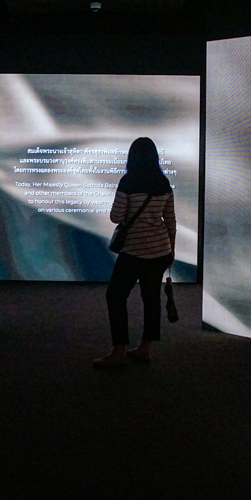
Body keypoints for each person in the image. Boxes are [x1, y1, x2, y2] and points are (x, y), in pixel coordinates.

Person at [94, 137, 176, 368]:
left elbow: (116, 217)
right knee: (151, 299)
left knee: (115, 296)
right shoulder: (163, 182)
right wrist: (171, 250)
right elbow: (170, 220)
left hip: (134, 251)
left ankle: (119, 351)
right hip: (160, 250)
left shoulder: (128, 182)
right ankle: (145, 348)